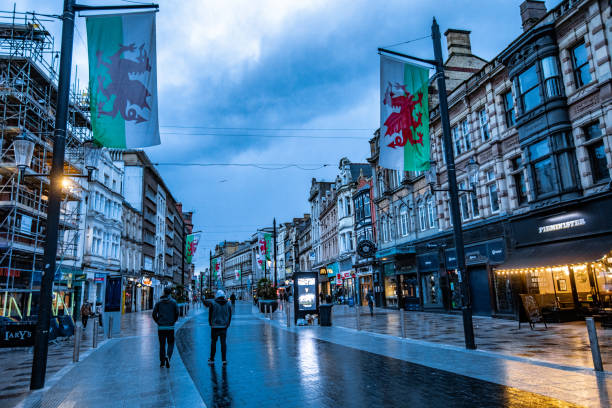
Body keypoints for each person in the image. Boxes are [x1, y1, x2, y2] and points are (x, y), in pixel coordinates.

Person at [152, 287, 179, 368]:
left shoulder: (158, 303)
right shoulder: (174, 302)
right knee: (171, 343)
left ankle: (162, 362)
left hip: (161, 327)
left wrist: (158, 322)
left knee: (162, 345)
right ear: (170, 293)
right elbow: (177, 313)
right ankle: (168, 357)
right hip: (170, 327)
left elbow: (153, 314)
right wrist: (173, 321)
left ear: (164, 292)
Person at [204, 290, 232, 366]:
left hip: (215, 326)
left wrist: (210, 323)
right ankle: (224, 360)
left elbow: (210, 314)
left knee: (213, 342)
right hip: (224, 326)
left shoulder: (213, 303)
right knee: (223, 343)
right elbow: (230, 315)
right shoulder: (228, 304)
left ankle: (212, 358)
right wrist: (228, 324)